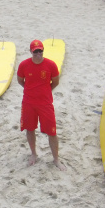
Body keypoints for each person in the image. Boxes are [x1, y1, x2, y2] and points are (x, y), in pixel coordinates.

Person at [17, 40, 66, 171]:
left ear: (43, 50)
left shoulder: (50, 65)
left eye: (40, 51)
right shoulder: (24, 65)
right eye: (35, 51)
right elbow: (20, 80)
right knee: (30, 129)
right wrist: (31, 90)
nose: (38, 54)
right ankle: (33, 154)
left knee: (52, 132)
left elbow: (55, 82)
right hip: (28, 103)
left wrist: (44, 91)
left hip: (45, 104)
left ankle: (56, 159)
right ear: (31, 51)